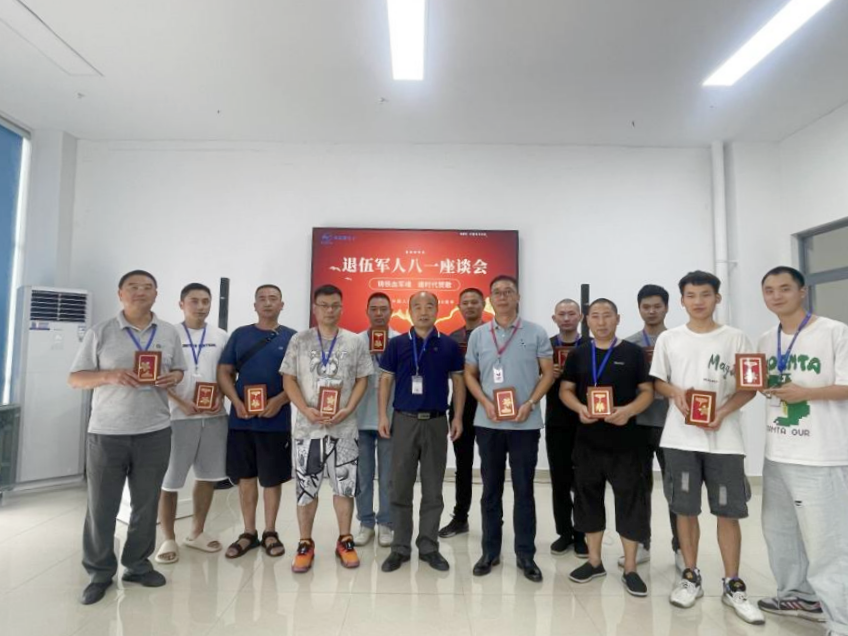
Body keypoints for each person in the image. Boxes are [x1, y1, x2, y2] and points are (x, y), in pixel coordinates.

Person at [650, 270, 765, 624]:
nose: (698, 301)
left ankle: (733, 584)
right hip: (680, 439)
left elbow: (750, 386)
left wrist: (723, 412)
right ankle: (690, 577)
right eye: (691, 295)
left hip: (725, 440)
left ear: (717, 298)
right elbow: (658, 382)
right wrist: (676, 393)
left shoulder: (736, 338)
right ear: (682, 300)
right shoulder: (670, 338)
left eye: (704, 294)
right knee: (685, 509)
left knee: (728, 512)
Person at [69, 270, 185, 605]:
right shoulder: (101, 332)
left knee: (146, 505)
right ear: (120, 293)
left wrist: (173, 377)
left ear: (156, 294)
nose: (140, 292)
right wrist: (109, 375)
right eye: (133, 287)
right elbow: (75, 378)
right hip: (108, 433)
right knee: (101, 507)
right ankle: (99, 573)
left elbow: (179, 370)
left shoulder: (168, 332)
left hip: (154, 431)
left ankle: (137, 565)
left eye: (147, 287)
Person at [756, 266, 848, 634]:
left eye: (784, 288)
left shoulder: (834, 332)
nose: (776, 296)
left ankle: (841, 618)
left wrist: (806, 393)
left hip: (821, 455)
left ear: (802, 291)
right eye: (769, 290)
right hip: (778, 451)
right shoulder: (767, 339)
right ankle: (797, 595)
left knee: (828, 541)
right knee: (780, 533)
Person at [560, 299, 654, 597]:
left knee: (630, 502)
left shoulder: (633, 353)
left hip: (626, 442)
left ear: (618, 318)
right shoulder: (578, 354)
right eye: (596, 316)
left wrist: (628, 410)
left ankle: (630, 568)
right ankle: (594, 561)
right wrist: (579, 408)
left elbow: (647, 391)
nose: (601, 322)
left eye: (607, 316)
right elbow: (565, 389)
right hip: (587, 442)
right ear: (587, 320)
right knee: (587, 500)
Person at [465, 275, 555, 582]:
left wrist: (531, 402)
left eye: (508, 291)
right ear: (490, 300)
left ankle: (525, 554)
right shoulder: (479, 334)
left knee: (524, 489)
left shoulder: (536, 332)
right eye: (497, 292)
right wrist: (484, 402)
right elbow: (470, 374)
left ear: (518, 297)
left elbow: (548, 374)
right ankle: (490, 551)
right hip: (488, 422)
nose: (502, 296)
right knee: (490, 489)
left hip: (524, 423)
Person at [282, 284, 372, 573]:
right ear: (315, 308)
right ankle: (305, 543)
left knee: (344, 487)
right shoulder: (299, 340)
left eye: (335, 305)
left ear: (341, 308)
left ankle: (345, 540)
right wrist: (305, 409)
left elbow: (363, 379)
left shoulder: (354, 341)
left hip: (343, 428)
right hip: (308, 429)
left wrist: (349, 408)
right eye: (324, 305)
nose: (330, 310)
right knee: (306, 488)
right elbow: (288, 379)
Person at [378, 292, 465, 572]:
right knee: (400, 485)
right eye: (417, 306)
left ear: (437, 311)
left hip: (437, 422)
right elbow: (385, 380)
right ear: (409, 311)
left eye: (429, 306)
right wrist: (383, 416)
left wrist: (457, 416)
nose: (423, 311)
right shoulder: (397, 344)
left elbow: (459, 383)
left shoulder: (449, 345)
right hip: (404, 421)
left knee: (433, 487)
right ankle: (400, 547)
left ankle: (428, 546)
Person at [217, 284, 296, 560]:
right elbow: (224, 371)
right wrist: (235, 401)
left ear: (282, 305)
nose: (267, 303)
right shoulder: (240, 335)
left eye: (273, 298)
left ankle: (270, 531)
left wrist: (280, 400)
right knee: (246, 478)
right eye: (262, 299)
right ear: (254, 305)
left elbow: (300, 378)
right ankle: (248, 532)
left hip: (275, 422)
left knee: (272, 479)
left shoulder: (292, 337)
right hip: (242, 420)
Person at [155, 283, 229, 564]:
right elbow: (158, 376)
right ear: (181, 304)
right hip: (177, 417)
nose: (201, 306)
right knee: (170, 481)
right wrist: (180, 402)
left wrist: (221, 396)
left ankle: (196, 532)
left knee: (207, 476)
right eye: (194, 301)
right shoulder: (168, 335)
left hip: (213, 417)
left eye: (205, 301)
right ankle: (168, 538)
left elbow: (227, 373)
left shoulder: (221, 336)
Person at [623, 284, 681, 571]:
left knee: (675, 489)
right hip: (637, 425)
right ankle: (641, 543)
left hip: (672, 425)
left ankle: (680, 547)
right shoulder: (629, 344)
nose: (652, 311)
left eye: (657, 306)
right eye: (646, 307)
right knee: (638, 488)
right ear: (639, 309)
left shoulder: (679, 340)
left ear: (667, 307)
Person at [439, 287, 486, 539]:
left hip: (490, 406)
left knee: (491, 466)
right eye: (465, 302)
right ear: (459, 307)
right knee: (463, 465)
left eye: (474, 302)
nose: (470, 306)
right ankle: (460, 518)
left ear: (483, 305)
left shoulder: (494, 334)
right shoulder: (452, 339)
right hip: (461, 407)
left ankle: (492, 519)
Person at [353, 292, 398, 548]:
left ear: (391, 311)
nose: (379, 313)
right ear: (367, 311)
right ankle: (366, 523)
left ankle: (386, 523)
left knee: (388, 476)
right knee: (363, 475)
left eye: (383, 309)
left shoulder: (399, 341)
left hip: (390, 419)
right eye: (374, 309)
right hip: (360, 419)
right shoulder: (356, 341)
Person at [545, 298, 588, 557]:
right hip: (557, 422)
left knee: (584, 481)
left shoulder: (590, 345)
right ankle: (564, 532)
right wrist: (547, 375)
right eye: (562, 314)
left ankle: (582, 534)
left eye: (572, 313)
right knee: (559, 480)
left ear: (580, 317)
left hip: (586, 422)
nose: (567, 318)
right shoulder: (546, 346)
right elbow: (534, 380)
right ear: (554, 318)